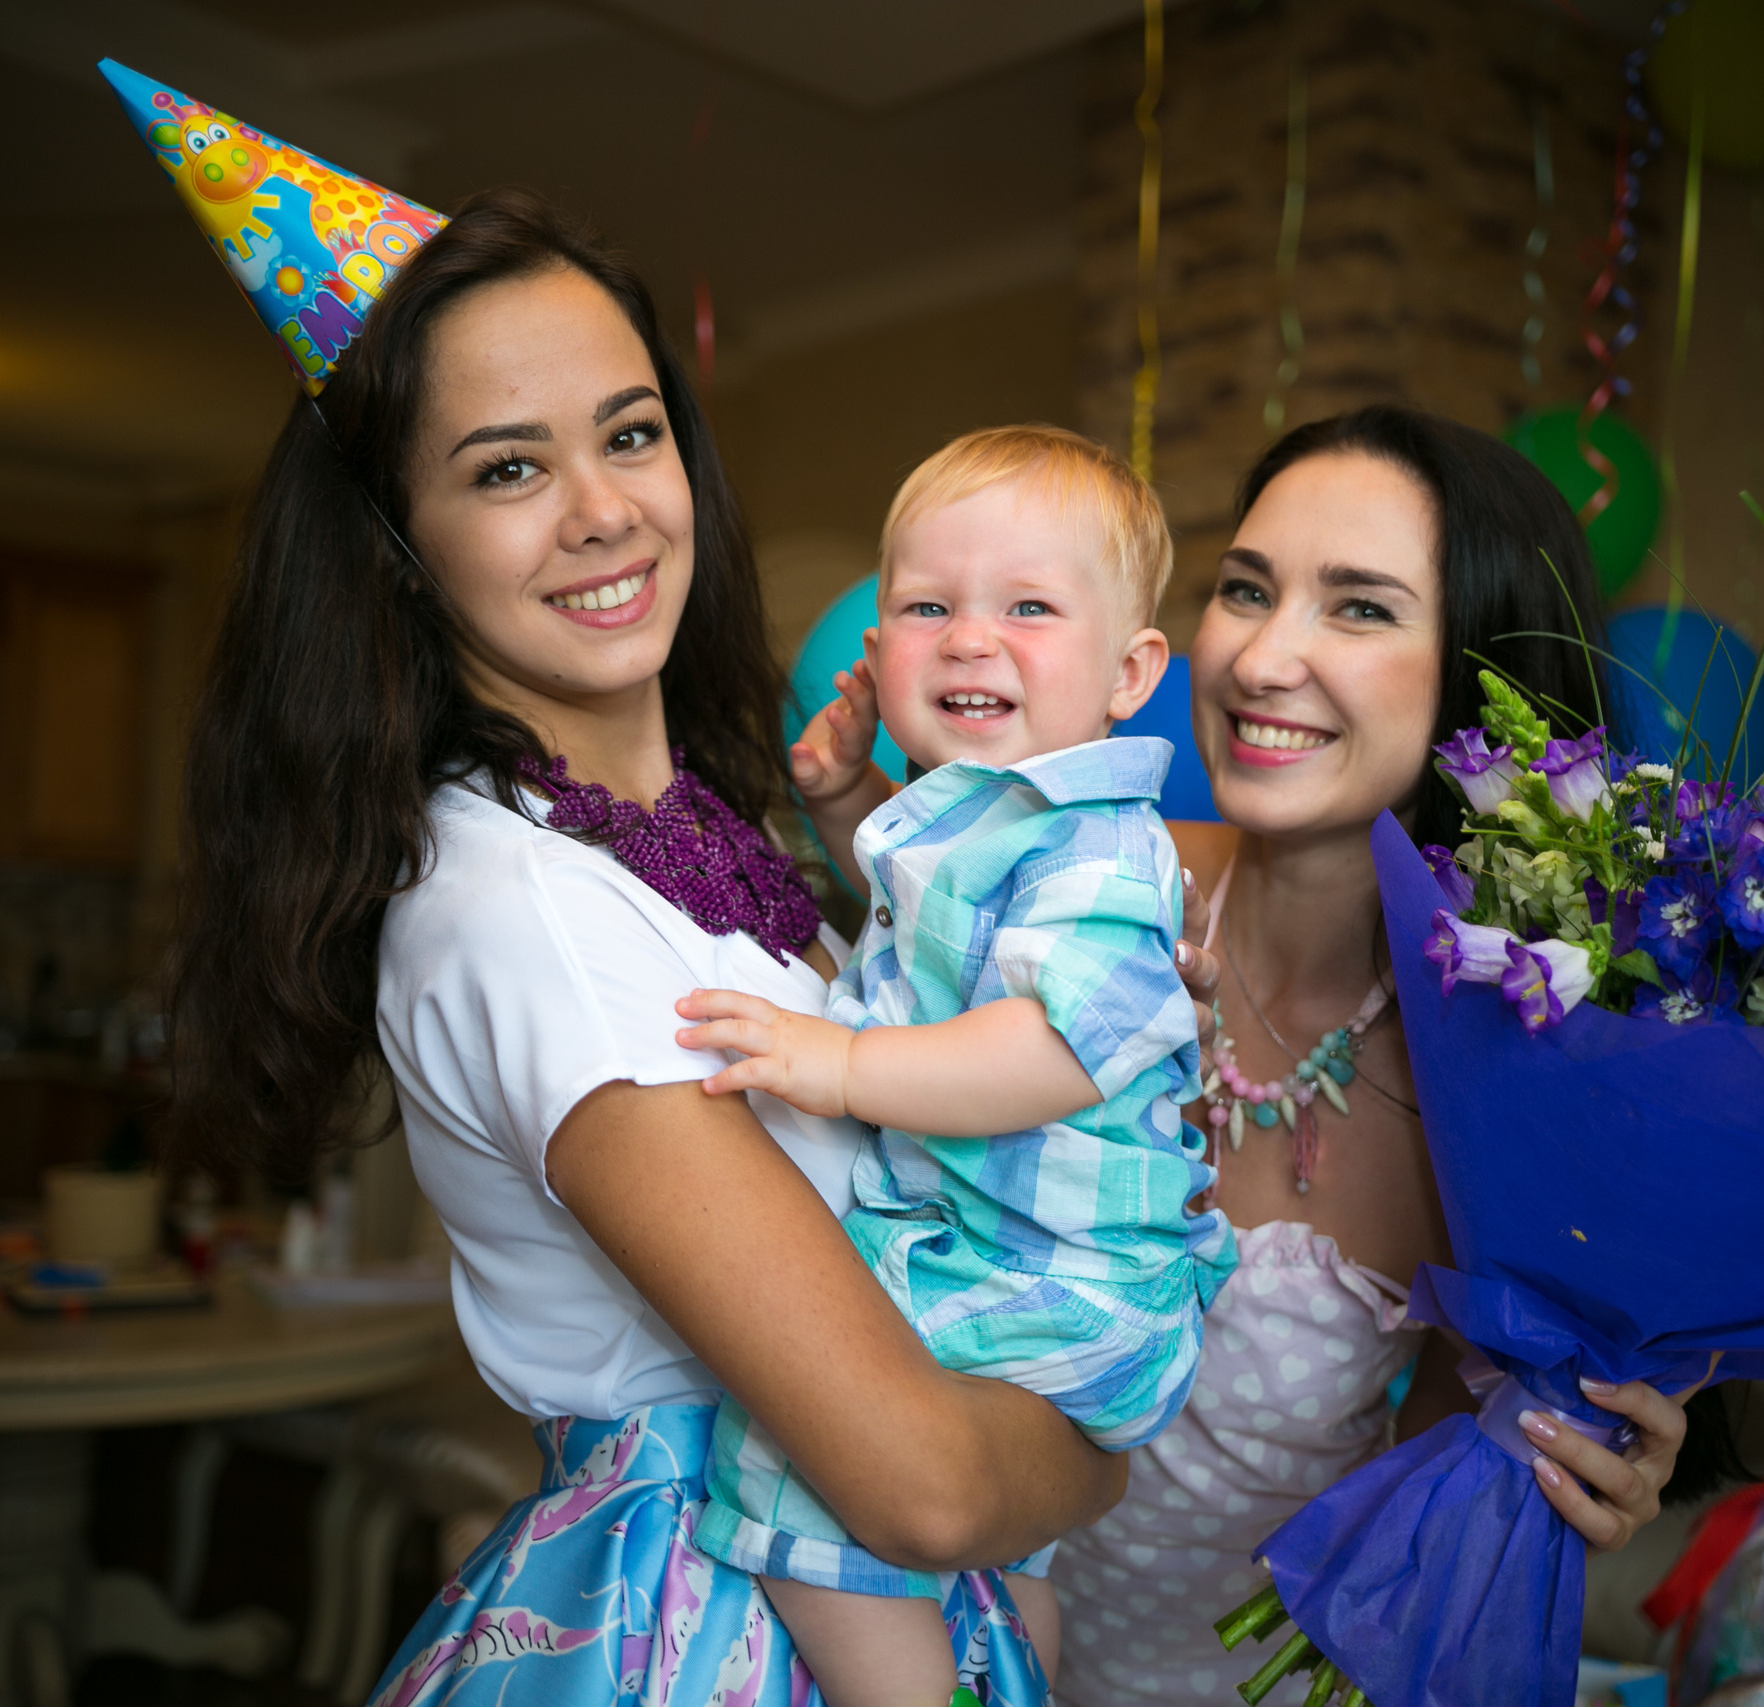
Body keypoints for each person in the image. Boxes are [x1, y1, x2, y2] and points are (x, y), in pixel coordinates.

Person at [163, 180, 1146, 1703]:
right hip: (723, 1627)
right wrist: (1110, 1446)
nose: (604, 508)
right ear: (400, 547)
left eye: (629, 432)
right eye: (507, 468)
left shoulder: (699, 831)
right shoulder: (522, 908)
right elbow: (925, 1488)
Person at [1049, 407, 1706, 1703]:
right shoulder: (1074, 888)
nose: (1262, 654)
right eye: (1247, 587)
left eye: (1358, 608)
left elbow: (1429, 1516)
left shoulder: (1511, 1082)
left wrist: (1570, 1462)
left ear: (1481, 674)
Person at [673, 429, 1236, 1703]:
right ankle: (1009, 1675)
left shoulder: (1096, 847)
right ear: (881, 648)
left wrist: (836, 1063)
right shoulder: (991, 819)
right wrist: (838, 803)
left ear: (1130, 672)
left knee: (798, 1446)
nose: (972, 637)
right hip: (1018, 1263)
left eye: (1028, 607)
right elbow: (935, 932)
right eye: (928, 606)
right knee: (1001, 1564)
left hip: (1051, 1280)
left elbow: (1044, 1047)